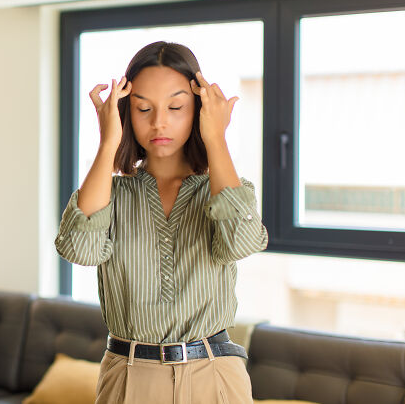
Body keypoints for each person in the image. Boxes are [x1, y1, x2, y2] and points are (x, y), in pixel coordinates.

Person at [54, 41, 269, 403]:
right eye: (143, 108)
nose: (159, 122)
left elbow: (241, 241)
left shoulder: (222, 190)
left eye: (176, 106)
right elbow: (80, 249)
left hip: (214, 376)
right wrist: (108, 142)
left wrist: (216, 138)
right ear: (126, 112)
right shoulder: (113, 195)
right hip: (129, 377)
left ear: (197, 109)